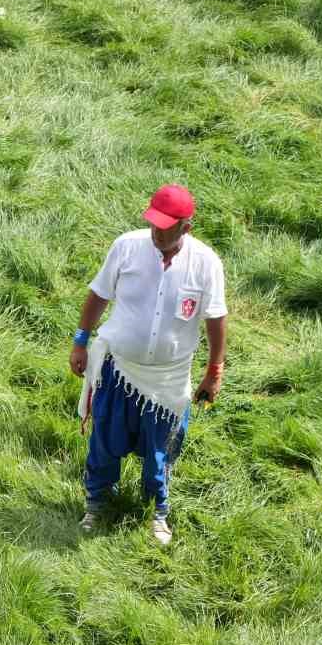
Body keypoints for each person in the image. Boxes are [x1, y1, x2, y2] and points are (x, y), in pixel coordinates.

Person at [69, 184, 228, 545]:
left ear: (186, 227)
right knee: (105, 439)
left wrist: (214, 371)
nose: (157, 231)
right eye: (153, 222)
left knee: (161, 447)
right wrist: (80, 341)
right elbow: (98, 295)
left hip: (169, 378)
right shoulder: (127, 246)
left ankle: (158, 511)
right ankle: (96, 503)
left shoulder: (206, 264)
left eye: (166, 226)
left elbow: (216, 320)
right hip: (119, 368)